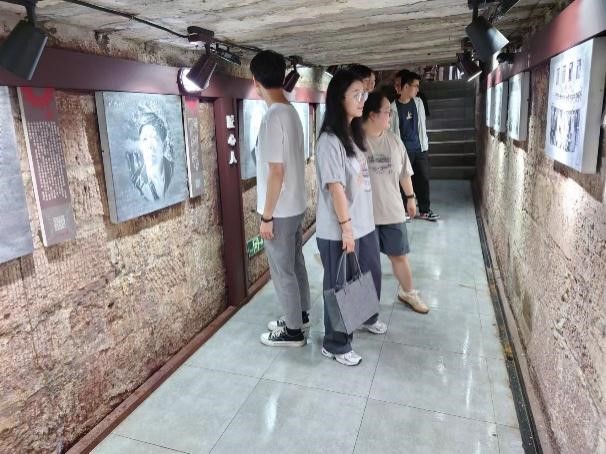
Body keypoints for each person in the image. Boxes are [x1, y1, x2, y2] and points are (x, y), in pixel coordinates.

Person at [315, 69, 387, 367]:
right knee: (338, 287)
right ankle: (335, 344)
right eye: (356, 95)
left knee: (363, 278)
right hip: (339, 229)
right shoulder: (329, 141)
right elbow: (335, 189)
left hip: (362, 225)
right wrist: (346, 229)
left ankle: (358, 321)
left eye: (364, 94)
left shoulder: (353, 135)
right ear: (338, 98)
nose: (362, 100)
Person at [249, 50, 311, 347]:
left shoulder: (273, 117)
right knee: (295, 264)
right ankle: (300, 316)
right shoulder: (291, 112)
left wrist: (266, 216)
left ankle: (293, 332)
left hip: (280, 211)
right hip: (295, 206)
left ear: (255, 81)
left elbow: (276, 172)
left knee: (282, 270)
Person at [362, 92, 429, 313]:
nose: (390, 116)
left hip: (392, 210)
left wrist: (410, 198)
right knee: (366, 263)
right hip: (365, 214)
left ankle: (408, 292)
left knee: (399, 255)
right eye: (387, 113)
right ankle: (365, 307)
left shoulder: (393, 140)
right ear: (372, 115)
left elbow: (404, 173)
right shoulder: (354, 141)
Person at [391, 70, 439, 221]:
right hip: (403, 151)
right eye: (415, 86)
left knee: (423, 179)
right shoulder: (392, 108)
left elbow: (421, 125)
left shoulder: (418, 103)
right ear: (406, 87)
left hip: (420, 148)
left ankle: (425, 210)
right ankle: (404, 211)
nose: (418, 89)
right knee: (403, 181)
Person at [129, 111, 174, 201]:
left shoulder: (174, 170)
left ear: (164, 145)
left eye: (154, 138)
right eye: (145, 139)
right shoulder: (136, 183)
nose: (149, 145)